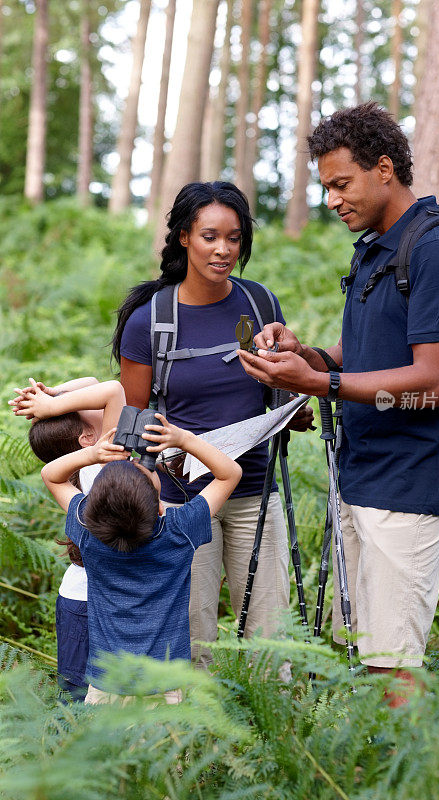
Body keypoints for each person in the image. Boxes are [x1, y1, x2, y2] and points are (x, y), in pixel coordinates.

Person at [238, 102, 439, 706]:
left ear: (384, 169)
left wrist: (315, 385)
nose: (331, 199)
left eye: (340, 183)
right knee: (368, 652)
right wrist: (307, 356)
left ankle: (411, 774)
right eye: (324, 186)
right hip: (364, 474)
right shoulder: (380, 249)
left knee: (394, 666)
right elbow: (366, 352)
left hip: (410, 483)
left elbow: (431, 380)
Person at [112, 181, 312, 665]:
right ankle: (193, 736)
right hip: (180, 500)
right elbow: (134, 420)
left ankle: (275, 734)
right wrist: (143, 490)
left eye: (235, 238)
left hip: (255, 493)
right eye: (209, 236)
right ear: (184, 236)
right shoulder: (150, 321)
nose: (223, 249)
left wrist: (293, 410)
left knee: (270, 638)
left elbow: (276, 387)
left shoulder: (260, 303)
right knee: (189, 636)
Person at [40, 413, 242, 705]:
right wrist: (183, 439)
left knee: (109, 752)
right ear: (159, 506)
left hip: (107, 685)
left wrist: (94, 454)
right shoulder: (178, 530)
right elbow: (230, 473)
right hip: (165, 687)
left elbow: (50, 474)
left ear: (92, 508)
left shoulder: (88, 532)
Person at [10, 377, 127, 701]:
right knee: (94, 691)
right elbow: (111, 390)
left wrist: (51, 397)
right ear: (87, 436)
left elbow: (92, 383)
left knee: (75, 689)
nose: (93, 408)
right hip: (96, 599)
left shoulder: (78, 471)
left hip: (76, 596)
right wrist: (52, 404)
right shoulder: (104, 466)